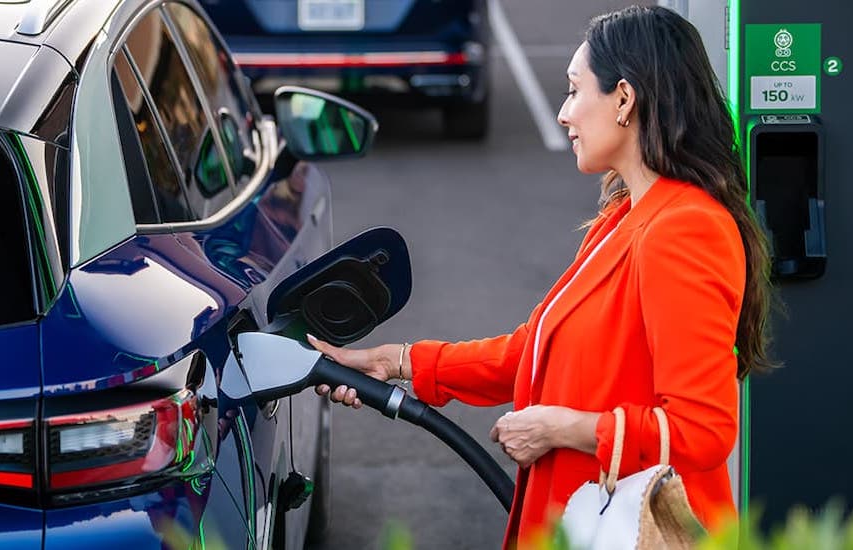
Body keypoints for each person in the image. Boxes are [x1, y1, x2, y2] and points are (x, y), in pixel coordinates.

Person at [309, 5, 775, 548]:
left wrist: (562, 428)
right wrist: (396, 362)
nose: (563, 114)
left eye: (575, 91)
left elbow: (703, 430)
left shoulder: (685, 229)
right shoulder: (624, 218)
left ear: (625, 99)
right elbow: (535, 352)